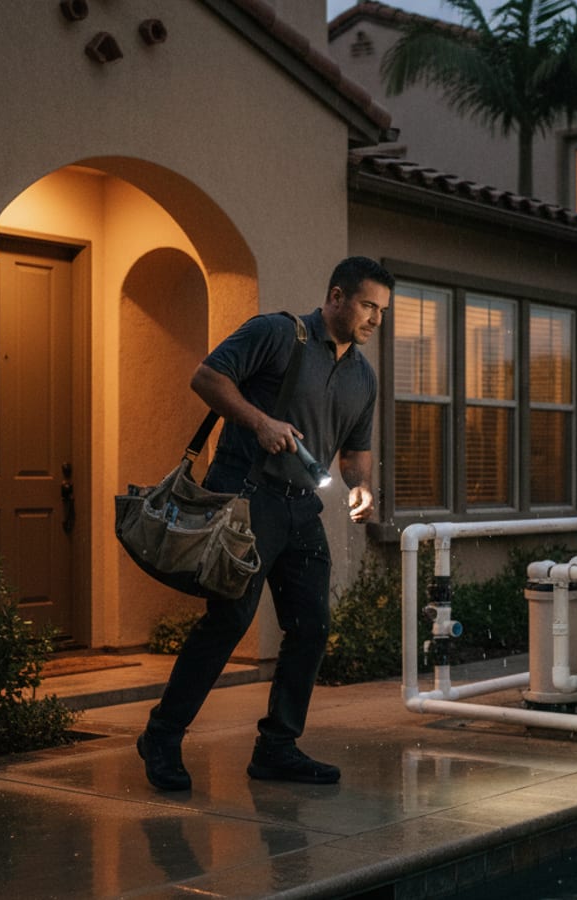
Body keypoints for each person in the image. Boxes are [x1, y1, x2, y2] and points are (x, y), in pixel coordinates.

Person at [137, 256, 394, 791]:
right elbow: (206, 377)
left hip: (302, 507)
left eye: (382, 311)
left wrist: (362, 485)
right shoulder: (280, 334)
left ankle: (277, 746)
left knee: (311, 627)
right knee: (230, 621)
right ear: (337, 296)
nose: (375, 319)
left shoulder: (363, 377)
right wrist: (259, 421)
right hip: (247, 498)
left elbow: (355, 451)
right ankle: (161, 735)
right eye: (368, 305)